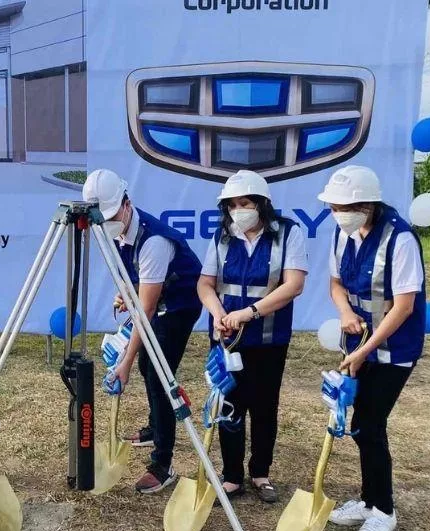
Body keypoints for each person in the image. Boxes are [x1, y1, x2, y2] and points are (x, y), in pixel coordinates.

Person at [318, 165, 425, 531]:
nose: (338, 214)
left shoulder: (400, 239)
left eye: (344, 207)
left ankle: (384, 510)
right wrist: (345, 312)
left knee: (370, 423)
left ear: (367, 205)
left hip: (394, 349)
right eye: (333, 207)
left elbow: (404, 306)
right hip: (359, 341)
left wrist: (365, 350)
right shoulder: (343, 234)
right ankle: (367, 500)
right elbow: (335, 284)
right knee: (361, 425)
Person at [82, 169, 203, 494]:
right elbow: (132, 279)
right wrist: (127, 292)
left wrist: (124, 361)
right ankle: (154, 427)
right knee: (148, 367)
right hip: (155, 301)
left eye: (111, 216)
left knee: (160, 375)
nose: (106, 225)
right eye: (101, 220)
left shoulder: (154, 242)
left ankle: (162, 464)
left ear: (127, 204)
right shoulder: (115, 231)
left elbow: (146, 311)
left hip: (179, 306)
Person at [197, 169, 308, 504]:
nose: (237, 210)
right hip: (227, 339)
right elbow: (205, 283)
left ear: (261, 204)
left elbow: (294, 285)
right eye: (232, 205)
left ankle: (260, 472)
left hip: (268, 340)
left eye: (244, 203)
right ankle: (232, 476)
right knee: (229, 404)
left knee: (264, 407)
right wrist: (218, 313)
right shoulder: (222, 236)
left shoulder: (288, 233)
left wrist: (249, 313)